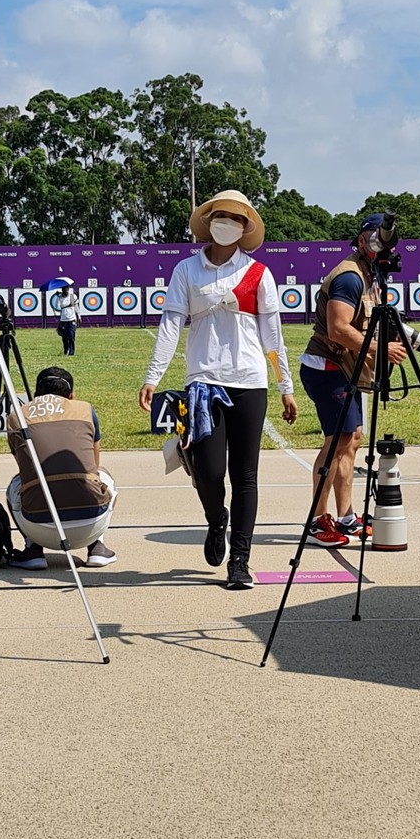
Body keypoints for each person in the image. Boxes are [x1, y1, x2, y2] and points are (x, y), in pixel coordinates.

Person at [139, 190, 297, 590]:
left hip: (249, 382)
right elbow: (171, 323)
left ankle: (240, 562)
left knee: (245, 475)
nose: (226, 222)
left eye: (235, 218)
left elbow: (272, 336)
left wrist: (285, 385)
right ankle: (216, 520)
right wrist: (153, 376)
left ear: (245, 228)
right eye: (220, 215)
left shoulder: (260, 273)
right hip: (203, 383)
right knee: (208, 471)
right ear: (208, 221)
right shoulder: (186, 271)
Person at [298, 213, 407, 547]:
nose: (381, 245)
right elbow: (338, 329)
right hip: (328, 367)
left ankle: (345, 517)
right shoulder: (349, 276)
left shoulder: (366, 272)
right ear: (361, 240)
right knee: (337, 444)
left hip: (344, 368)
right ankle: (318, 521)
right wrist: (380, 348)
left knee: (352, 439)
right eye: (375, 238)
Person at [6, 366, 117, 570]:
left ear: (36, 393)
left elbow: (25, 467)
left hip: (37, 524)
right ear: (71, 395)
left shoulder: (17, 416)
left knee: (16, 483)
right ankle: (96, 546)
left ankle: (33, 549)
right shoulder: (85, 410)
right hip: (90, 523)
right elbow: (94, 463)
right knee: (103, 475)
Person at [57, 285, 81, 356]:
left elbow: (76, 307)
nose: (65, 290)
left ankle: (71, 352)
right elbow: (56, 305)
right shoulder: (60, 297)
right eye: (63, 289)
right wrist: (57, 295)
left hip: (72, 319)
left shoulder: (73, 296)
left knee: (71, 336)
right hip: (63, 320)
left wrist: (79, 316)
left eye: (66, 289)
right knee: (64, 337)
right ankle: (66, 349)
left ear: (68, 289)